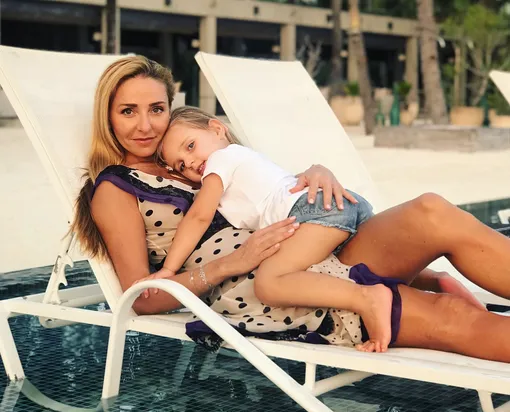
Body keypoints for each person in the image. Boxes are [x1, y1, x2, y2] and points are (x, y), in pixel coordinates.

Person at [72, 54, 510, 362]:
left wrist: (316, 172)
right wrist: (230, 263)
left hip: (312, 243)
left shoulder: (187, 158)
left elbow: (261, 187)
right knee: (450, 316)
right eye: (127, 111)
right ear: (108, 117)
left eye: (156, 109)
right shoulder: (115, 188)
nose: (145, 125)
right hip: (275, 288)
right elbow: (143, 299)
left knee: (431, 211)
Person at [148, 105, 394, 352]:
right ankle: (409, 289)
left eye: (190, 146)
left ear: (217, 129)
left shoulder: (220, 160)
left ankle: (365, 298)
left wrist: (169, 269)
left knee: (269, 283)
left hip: (314, 212)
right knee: (382, 264)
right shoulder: (245, 161)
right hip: (336, 203)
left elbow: (198, 217)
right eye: (180, 166)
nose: (190, 162)